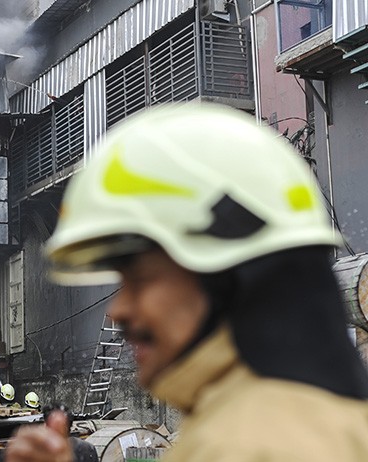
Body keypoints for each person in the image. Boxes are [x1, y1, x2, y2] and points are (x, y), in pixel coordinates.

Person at [33, 103, 368, 461]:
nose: (118, 311)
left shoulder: (247, 445)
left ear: (234, 277)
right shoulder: (295, 422)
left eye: (142, 280)